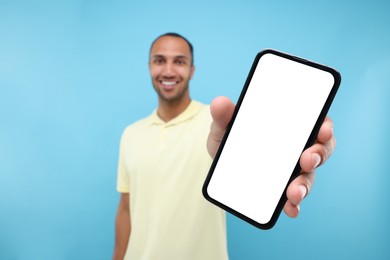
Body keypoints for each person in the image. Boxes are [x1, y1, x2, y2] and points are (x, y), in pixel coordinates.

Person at [113, 33, 336, 260]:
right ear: (149, 66)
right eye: (159, 60)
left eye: (179, 61)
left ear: (192, 70)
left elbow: (258, 155)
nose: (168, 70)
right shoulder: (130, 134)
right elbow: (125, 208)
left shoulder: (219, 123)